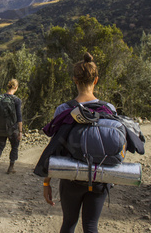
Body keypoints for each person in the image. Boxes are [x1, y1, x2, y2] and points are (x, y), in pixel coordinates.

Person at [42, 52, 117, 233]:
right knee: (91, 226)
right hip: (99, 177)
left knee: (69, 223)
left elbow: (55, 148)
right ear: (96, 80)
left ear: (75, 80)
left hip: (71, 178)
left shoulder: (64, 109)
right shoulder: (109, 109)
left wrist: (47, 182)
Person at [0, 79, 23, 176]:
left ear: (8, 86)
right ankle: (11, 167)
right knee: (14, 146)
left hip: (1, 128)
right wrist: (20, 131)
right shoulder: (16, 100)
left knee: (0, 146)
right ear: (16, 87)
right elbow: (19, 117)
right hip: (12, 129)